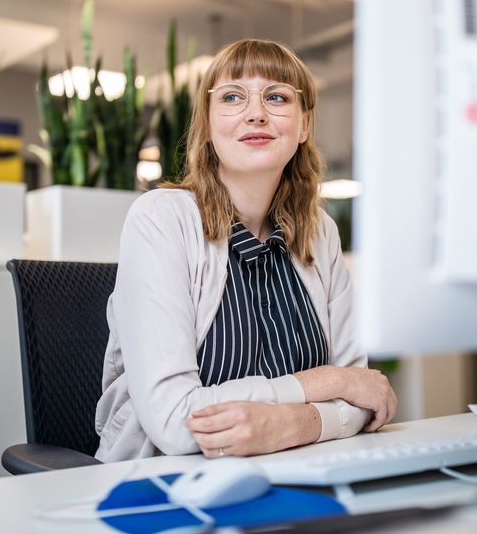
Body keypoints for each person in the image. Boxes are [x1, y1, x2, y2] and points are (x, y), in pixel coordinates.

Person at [95, 38, 397, 462]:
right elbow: (174, 422)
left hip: (300, 472)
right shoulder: (162, 219)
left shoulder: (319, 232)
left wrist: (291, 424)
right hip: (163, 485)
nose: (256, 113)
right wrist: (324, 384)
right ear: (209, 124)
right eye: (233, 97)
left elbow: (364, 396)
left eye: (276, 97)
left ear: (304, 125)